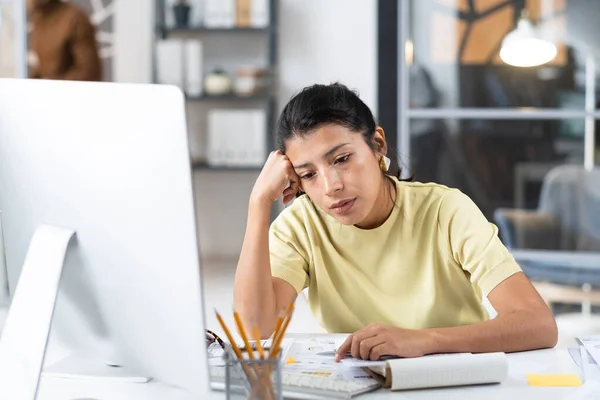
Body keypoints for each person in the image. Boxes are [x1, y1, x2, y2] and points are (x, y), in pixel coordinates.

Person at [234, 83, 557, 361]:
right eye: (308, 174)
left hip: (454, 378)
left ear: (377, 145)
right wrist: (258, 203)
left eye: (342, 159)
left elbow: (537, 324)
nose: (331, 185)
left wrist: (424, 341)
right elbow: (254, 331)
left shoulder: (446, 210)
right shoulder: (300, 226)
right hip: (361, 384)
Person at [27, 0, 102, 81]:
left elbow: (90, 73)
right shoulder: (38, 18)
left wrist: (50, 84)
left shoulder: (75, 19)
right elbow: (45, 67)